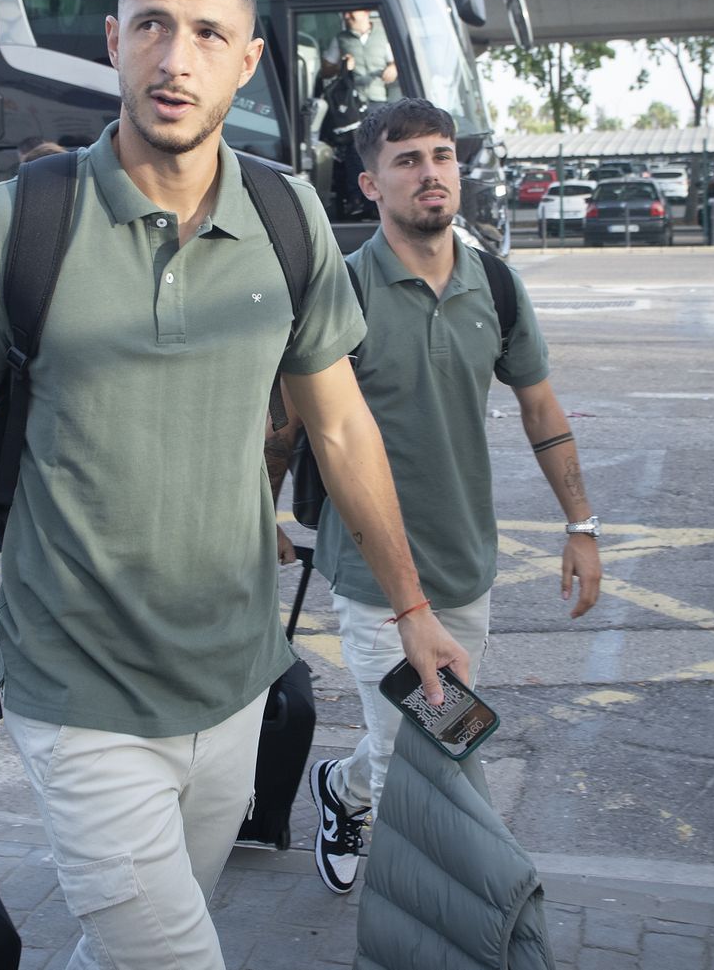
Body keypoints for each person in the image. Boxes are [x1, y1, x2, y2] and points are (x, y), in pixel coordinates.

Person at [0, 0, 466, 970]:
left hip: (237, 676)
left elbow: (339, 424)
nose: (175, 59)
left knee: (138, 949)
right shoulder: (14, 222)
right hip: (76, 687)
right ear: (113, 40)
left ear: (247, 62)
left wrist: (412, 609)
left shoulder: (288, 214)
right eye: (152, 25)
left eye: (208, 33)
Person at [281, 98, 603, 896]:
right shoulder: (341, 292)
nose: (431, 172)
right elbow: (287, 425)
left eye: (442, 155)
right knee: (419, 767)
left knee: (443, 733)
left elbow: (540, 405)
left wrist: (581, 523)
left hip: (464, 570)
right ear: (371, 184)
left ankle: (340, 789)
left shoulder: (494, 282)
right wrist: (259, 517)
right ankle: (433, 927)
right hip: (372, 578)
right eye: (408, 159)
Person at [322, 8, 397, 103]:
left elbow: (396, 62)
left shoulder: (384, 35)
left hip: (380, 100)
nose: (346, 16)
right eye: (345, 13)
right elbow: (325, 72)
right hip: (352, 102)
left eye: (350, 12)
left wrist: (394, 68)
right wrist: (342, 66)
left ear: (366, 11)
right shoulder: (340, 39)